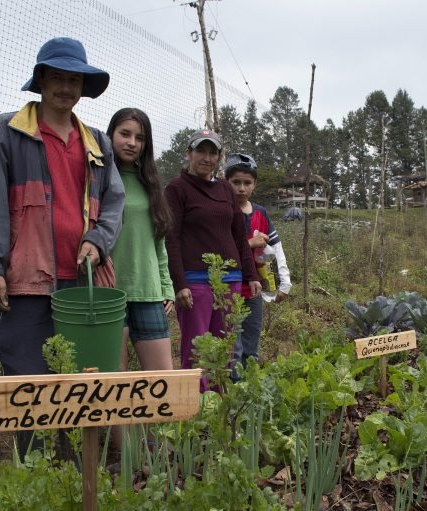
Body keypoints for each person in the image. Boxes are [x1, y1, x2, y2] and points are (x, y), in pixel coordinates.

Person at [0, 37, 124, 457]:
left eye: (74, 79)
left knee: (82, 386)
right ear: (40, 81)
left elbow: (113, 203)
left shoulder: (97, 142)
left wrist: (98, 241)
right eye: (57, 77)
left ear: (83, 87)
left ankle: (77, 475)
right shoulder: (8, 131)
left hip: (84, 282)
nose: (66, 87)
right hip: (27, 279)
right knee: (29, 385)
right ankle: (36, 478)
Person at [164, 130, 261, 390]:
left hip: (229, 279)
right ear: (189, 153)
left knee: (226, 345)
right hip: (195, 281)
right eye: (201, 151)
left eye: (212, 153)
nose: (206, 158)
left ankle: (220, 408)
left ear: (219, 157)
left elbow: (239, 236)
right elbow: (171, 238)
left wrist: (251, 275)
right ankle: (196, 408)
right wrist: (179, 283)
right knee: (196, 348)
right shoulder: (177, 189)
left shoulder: (225, 190)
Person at [106, 108, 174, 371]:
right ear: (111, 134)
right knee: (115, 383)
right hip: (108, 294)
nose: (132, 143)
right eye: (124, 134)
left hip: (149, 292)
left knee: (163, 380)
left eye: (140, 137)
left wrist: (166, 286)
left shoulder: (151, 183)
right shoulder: (99, 178)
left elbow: (159, 241)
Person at [224, 153, 292, 370]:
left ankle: (249, 385)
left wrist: (284, 284)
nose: (241, 188)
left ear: (254, 184)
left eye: (247, 183)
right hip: (228, 288)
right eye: (235, 182)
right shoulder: (222, 212)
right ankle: (233, 387)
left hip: (255, 290)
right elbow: (218, 249)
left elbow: (275, 249)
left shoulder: (261, 213)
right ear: (226, 182)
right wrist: (249, 243)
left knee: (251, 339)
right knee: (232, 344)